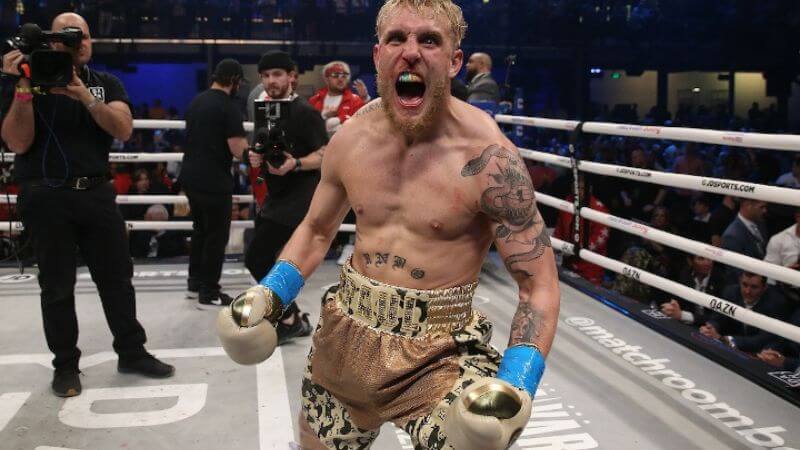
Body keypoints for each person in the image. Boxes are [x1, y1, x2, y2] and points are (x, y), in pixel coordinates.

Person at [218, 2, 560, 448]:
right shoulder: (352, 139)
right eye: (397, 38)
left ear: (454, 61)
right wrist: (271, 293)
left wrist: (517, 381)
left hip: (439, 355)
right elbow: (317, 230)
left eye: (429, 40)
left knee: (477, 435)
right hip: (345, 336)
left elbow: (539, 285)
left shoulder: (490, 160)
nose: (411, 51)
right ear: (378, 55)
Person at [0, 12, 174, 398]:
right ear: (51, 42)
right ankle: (65, 365)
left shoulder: (104, 84)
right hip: (45, 196)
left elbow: (123, 128)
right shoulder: (24, 82)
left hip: (95, 192)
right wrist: (24, 87)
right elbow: (18, 143)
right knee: (56, 286)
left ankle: (132, 351)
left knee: (117, 279)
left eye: (83, 36)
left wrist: (83, 95)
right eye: (67, 37)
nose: (78, 43)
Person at [243, 50, 327, 343]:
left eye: (277, 74)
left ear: (292, 76)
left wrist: (297, 163)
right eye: (266, 75)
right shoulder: (264, 109)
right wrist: (254, 156)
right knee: (269, 259)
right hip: (275, 195)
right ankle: (292, 317)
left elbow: (326, 153)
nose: (271, 81)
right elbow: (261, 147)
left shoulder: (304, 112)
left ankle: (289, 318)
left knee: (257, 257)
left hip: (300, 196)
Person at [179, 58, 252, 307]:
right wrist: (254, 154)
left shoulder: (196, 101)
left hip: (191, 176)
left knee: (200, 230)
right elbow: (237, 149)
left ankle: (195, 283)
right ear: (233, 80)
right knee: (216, 236)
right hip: (213, 179)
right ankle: (209, 291)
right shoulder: (228, 107)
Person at [700, 272, 791, 353]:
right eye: (744, 284)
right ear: (740, 281)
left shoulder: (776, 303)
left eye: (754, 287)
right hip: (729, 350)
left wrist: (726, 339)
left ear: (764, 287)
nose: (747, 291)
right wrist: (711, 328)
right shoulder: (730, 292)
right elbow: (718, 317)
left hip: (758, 354)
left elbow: (763, 339)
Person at [308, 60, 365, 136]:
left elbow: (362, 126)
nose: (340, 79)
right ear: (326, 79)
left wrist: (340, 119)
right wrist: (323, 117)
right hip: (319, 142)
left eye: (344, 76)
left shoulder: (355, 100)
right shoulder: (314, 100)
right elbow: (307, 126)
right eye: (335, 75)